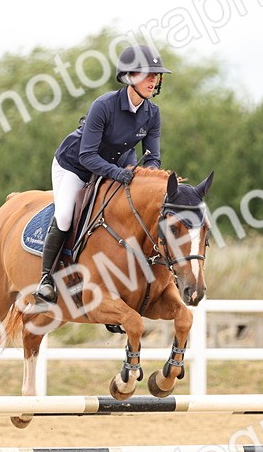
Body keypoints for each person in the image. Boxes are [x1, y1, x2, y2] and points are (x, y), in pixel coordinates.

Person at [32, 43, 172, 304]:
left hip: (116, 169)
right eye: (147, 74)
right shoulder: (104, 105)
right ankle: (46, 280)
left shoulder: (152, 113)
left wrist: (148, 180)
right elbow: (87, 155)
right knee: (64, 215)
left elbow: (153, 158)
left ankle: (115, 286)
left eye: (156, 75)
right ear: (130, 77)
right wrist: (119, 175)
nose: (154, 80)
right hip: (75, 165)